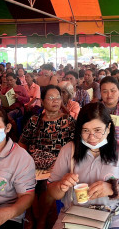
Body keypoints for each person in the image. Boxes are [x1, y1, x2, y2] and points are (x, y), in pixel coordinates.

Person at [47, 103, 119, 229]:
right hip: (74, 216)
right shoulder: (69, 151)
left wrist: (112, 189)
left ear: (108, 128)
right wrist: (61, 185)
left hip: (113, 217)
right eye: (86, 131)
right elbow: (53, 192)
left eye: (98, 130)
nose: (92, 137)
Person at [18, 85, 76, 229]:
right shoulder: (34, 120)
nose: (55, 101)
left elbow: (74, 147)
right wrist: (25, 161)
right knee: (22, 181)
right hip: (32, 163)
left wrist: (59, 163)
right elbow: (22, 143)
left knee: (46, 184)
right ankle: (30, 216)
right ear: (42, 101)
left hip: (56, 164)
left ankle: (42, 220)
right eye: (50, 98)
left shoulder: (68, 121)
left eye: (58, 97)